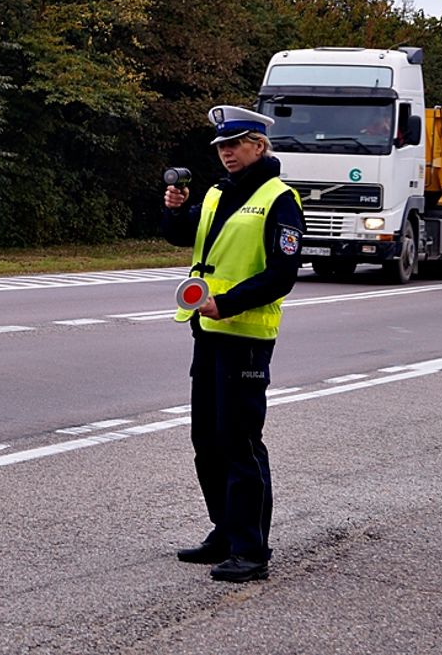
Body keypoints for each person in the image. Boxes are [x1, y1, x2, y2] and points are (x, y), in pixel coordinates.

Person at [161, 104, 305, 583]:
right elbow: (188, 241)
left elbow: (282, 274)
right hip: (206, 331)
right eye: (221, 147)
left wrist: (230, 302)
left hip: (244, 335)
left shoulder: (278, 198)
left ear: (258, 146)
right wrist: (176, 210)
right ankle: (224, 531)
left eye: (234, 145)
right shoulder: (218, 193)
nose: (225, 154)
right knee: (206, 439)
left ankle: (251, 550)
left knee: (239, 442)